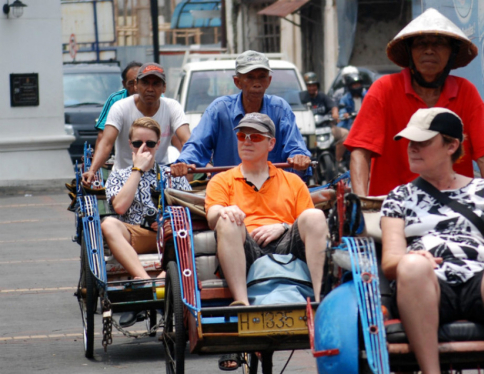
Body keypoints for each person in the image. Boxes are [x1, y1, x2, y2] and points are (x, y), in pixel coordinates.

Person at [380, 108, 484, 374]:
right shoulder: (398, 197)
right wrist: (410, 259)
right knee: (412, 267)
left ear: (451, 145)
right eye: (411, 142)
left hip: (480, 283)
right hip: (426, 285)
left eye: (422, 142)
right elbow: (390, 261)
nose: (412, 149)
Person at [205, 114, 327, 370]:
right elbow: (212, 214)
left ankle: (320, 299)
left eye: (255, 136)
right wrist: (229, 211)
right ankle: (242, 305)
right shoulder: (222, 180)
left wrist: (282, 226)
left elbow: (306, 221)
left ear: (271, 144)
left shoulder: (292, 181)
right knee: (225, 219)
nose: (247, 141)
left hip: (286, 248)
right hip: (245, 247)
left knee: (315, 215)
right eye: (242, 135)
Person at [344, 8, 484, 197]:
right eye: (421, 44)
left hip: (455, 209)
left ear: (452, 52)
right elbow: (360, 153)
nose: (429, 50)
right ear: (409, 52)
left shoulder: (466, 92)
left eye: (439, 43)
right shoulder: (383, 90)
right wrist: (362, 207)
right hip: (392, 210)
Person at [101, 117, 191, 326]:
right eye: (138, 143)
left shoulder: (172, 174)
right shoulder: (119, 175)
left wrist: (165, 221)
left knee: (188, 230)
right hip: (135, 235)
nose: (144, 148)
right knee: (108, 224)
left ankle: (160, 280)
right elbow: (120, 207)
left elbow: (188, 211)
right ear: (129, 145)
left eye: (150, 144)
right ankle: (143, 280)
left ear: (158, 145)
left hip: (169, 236)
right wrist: (137, 170)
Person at [171, 50, 311, 178]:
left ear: (269, 81)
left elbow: (295, 147)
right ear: (237, 82)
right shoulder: (219, 109)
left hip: (272, 191)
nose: (257, 83)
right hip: (229, 191)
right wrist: (184, 162)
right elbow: (197, 144)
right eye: (250, 77)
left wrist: (299, 158)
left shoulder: (280, 109)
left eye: (262, 77)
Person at [82, 62, 191, 185]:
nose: (150, 89)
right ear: (136, 85)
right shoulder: (120, 107)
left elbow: (186, 140)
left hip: (160, 176)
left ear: (164, 88)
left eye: (156, 84)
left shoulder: (172, 107)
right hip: (124, 176)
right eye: (145, 83)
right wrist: (92, 171)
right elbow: (106, 143)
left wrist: (189, 162)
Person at [94, 61, 143, 148]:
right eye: (131, 83)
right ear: (124, 84)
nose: (136, 88)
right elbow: (103, 134)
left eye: (141, 82)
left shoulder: (159, 98)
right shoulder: (115, 100)